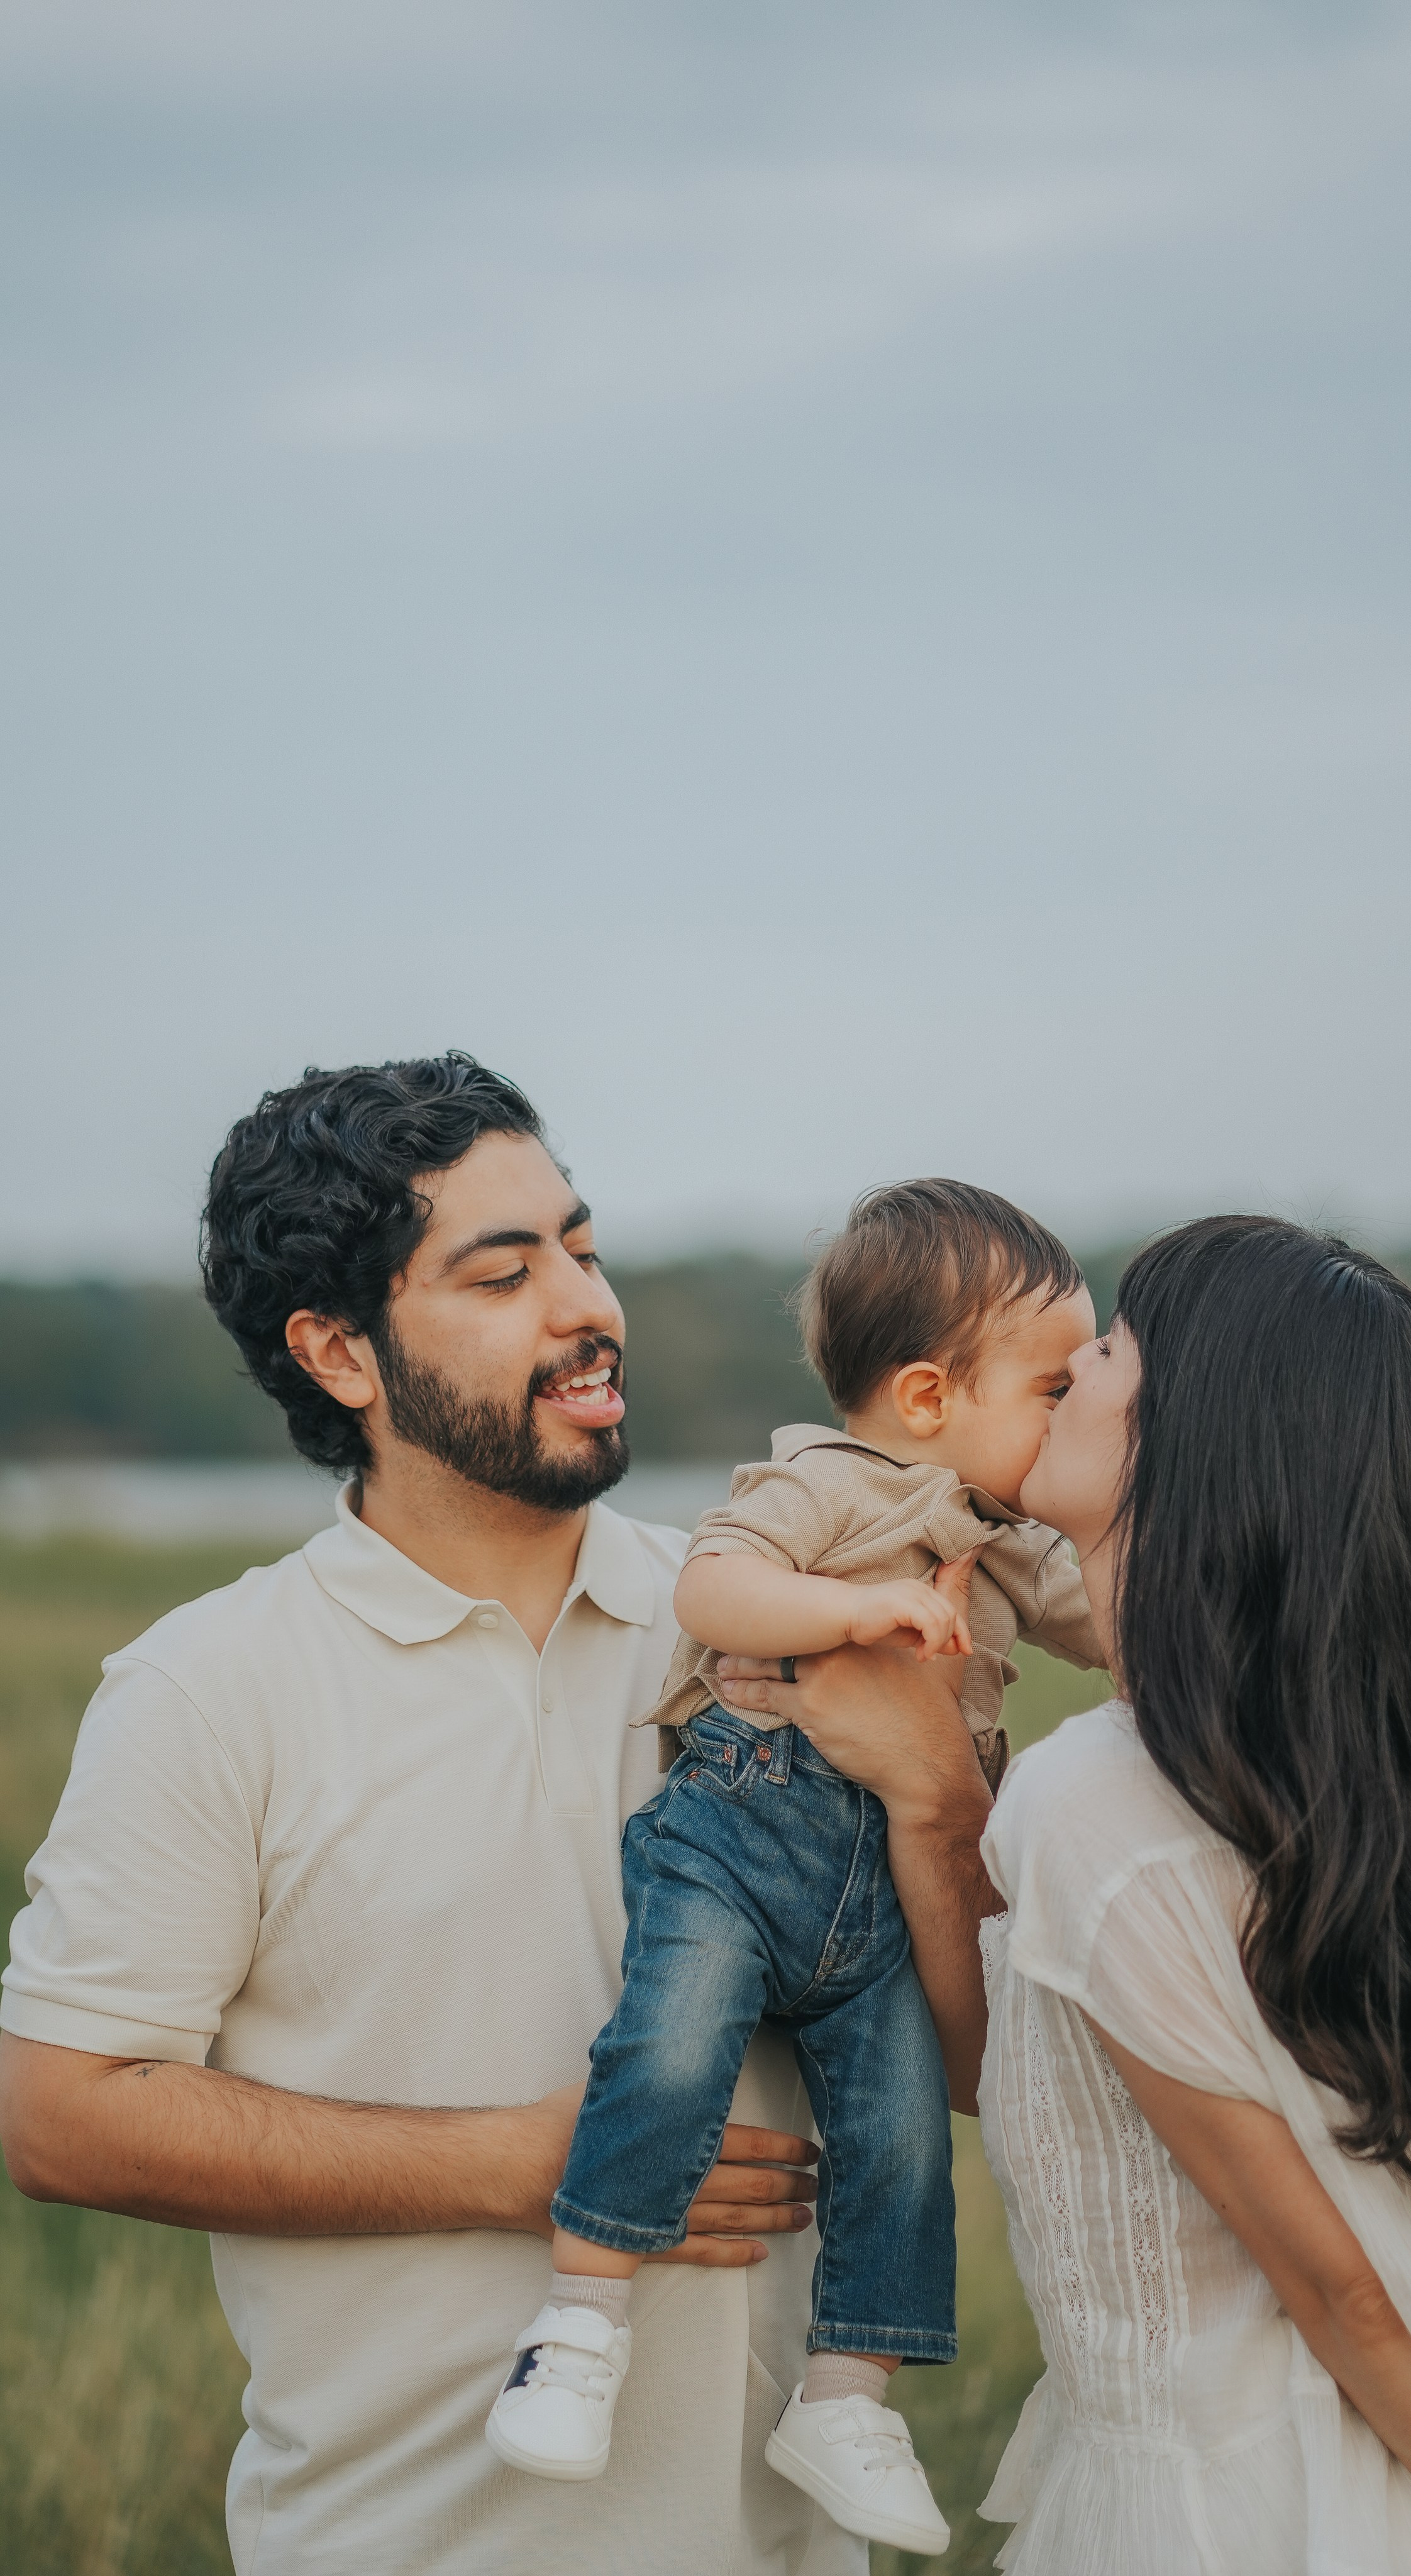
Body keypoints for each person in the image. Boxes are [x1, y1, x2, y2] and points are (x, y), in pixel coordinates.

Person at [0, 1050, 915, 2576]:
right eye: (503, 1274)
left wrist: (936, 1798)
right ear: (338, 1352)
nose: (585, 1306)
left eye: (582, 1246)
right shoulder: (206, 1688)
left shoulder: (768, 1622)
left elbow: (961, 2045)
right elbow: (60, 2111)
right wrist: (525, 2162)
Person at [722, 1216, 1411, 2574]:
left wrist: (940, 1791)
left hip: (1258, 2509)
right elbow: (1036, 2068)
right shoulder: (1327, 1754)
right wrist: (931, 1790)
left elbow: (1339, 2292)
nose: (1060, 1374)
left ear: (1190, 1435)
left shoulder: (1103, 1798)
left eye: (1104, 1352)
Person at [488, 1181, 1102, 2557]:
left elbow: (1126, 1623)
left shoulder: (1005, 1539)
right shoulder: (823, 1481)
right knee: (666, 2052)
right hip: (740, 1838)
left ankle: (847, 2397)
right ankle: (577, 2327)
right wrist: (855, 1605)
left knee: (900, 2142)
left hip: (879, 1891)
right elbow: (712, 1586)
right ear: (929, 1395)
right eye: (1054, 1390)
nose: (1068, 1417)